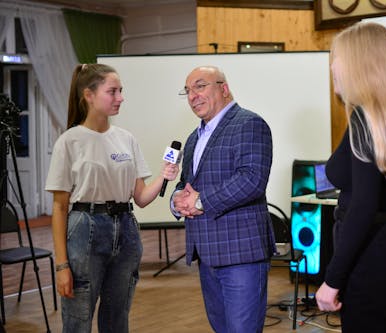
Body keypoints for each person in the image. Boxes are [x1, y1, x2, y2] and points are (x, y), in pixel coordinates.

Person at [45, 63, 179, 333]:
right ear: (89, 95)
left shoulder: (126, 139)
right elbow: (59, 208)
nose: (121, 98)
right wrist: (62, 266)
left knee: (118, 317)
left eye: (121, 91)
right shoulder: (69, 142)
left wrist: (165, 176)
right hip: (85, 230)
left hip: (126, 230)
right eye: (113, 91)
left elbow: (140, 197)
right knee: (78, 319)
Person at [315, 22, 386, 332]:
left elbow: (362, 209)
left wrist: (332, 280)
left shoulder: (364, 119)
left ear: (359, 64)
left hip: (369, 259)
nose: (333, 65)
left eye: (338, 57)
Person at [171, 65, 275, 333]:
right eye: (188, 90)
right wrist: (177, 200)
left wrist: (200, 201)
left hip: (241, 253)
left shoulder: (249, 123)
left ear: (224, 89)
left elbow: (251, 180)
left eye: (200, 86)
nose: (193, 95)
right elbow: (187, 184)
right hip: (207, 254)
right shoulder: (194, 137)